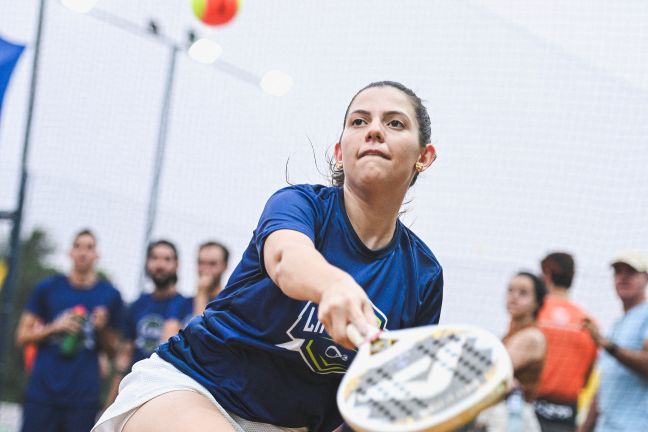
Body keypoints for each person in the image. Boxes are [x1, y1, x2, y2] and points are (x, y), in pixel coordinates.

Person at [93, 80, 443, 432]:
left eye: (395, 123)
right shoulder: (299, 205)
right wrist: (333, 285)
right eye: (359, 121)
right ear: (340, 151)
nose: (374, 131)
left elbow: (383, 399)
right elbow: (286, 259)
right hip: (195, 388)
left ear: (423, 157)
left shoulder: (423, 276)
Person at [15, 229, 124, 432]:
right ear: (70, 252)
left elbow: (113, 351)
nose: (83, 252)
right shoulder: (47, 288)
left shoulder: (110, 295)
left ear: (96, 254)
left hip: (82, 398)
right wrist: (54, 328)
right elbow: (21, 337)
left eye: (89, 247)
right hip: (42, 393)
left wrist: (101, 328)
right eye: (77, 246)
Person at [103, 240, 188, 407]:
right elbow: (124, 356)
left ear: (176, 264)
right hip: (136, 389)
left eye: (166, 259)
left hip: (170, 390)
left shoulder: (187, 305)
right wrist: (109, 405)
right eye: (155, 258)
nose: (160, 264)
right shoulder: (137, 305)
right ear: (147, 263)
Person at [580, 251, 648, 432]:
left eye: (631, 272)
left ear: (646, 278)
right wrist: (585, 427)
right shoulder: (616, 324)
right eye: (618, 272)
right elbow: (605, 384)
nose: (623, 278)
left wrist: (608, 345)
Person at [475, 271, 547, 432]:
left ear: (537, 302)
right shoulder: (510, 335)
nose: (514, 297)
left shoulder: (531, 336)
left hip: (513, 419)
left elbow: (492, 372)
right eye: (510, 290)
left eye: (523, 293)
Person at [534, 252, 598, 432]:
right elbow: (588, 378)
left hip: (531, 412)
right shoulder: (589, 324)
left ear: (546, 274)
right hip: (568, 416)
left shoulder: (532, 316)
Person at [190, 241, 230, 318]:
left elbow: (200, 329)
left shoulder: (228, 304)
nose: (206, 269)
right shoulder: (184, 303)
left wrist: (202, 293)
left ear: (225, 266)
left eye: (212, 264)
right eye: (201, 263)